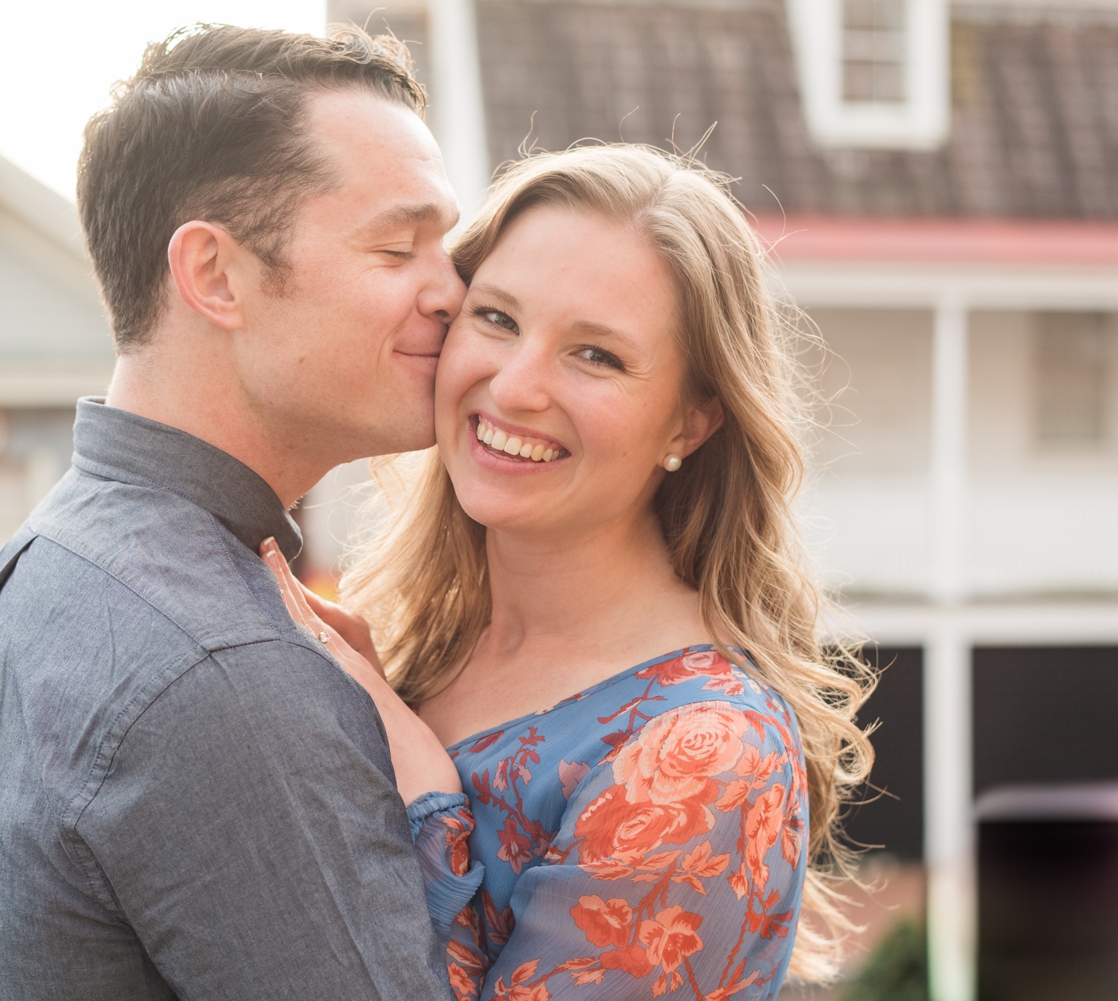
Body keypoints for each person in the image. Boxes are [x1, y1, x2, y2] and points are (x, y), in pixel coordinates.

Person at [0, 24, 482, 1000]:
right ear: (214, 274)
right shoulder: (225, 666)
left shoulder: (42, 567)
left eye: (451, 248)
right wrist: (434, 798)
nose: (455, 292)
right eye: (398, 246)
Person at [264, 144, 874, 1000]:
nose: (513, 387)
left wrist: (427, 797)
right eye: (499, 319)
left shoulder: (708, 752)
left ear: (691, 424)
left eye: (596, 355)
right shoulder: (416, 643)